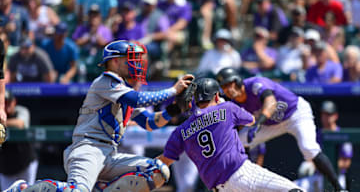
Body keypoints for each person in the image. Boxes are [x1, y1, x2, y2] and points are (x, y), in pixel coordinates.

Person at [5, 40, 194, 192]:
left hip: (109, 155)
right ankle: (24, 189)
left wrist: (176, 109)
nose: (135, 63)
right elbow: (137, 99)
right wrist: (172, 90)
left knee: (157, 170)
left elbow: (150, 122)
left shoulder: (123, 92)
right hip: (87, 149)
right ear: (114, 61)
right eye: (129, 58)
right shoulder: (106, 81)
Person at [157, 78, 303, 192]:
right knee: (294, 190)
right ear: (216, 96)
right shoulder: (227, 108)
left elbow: (165, 161)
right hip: (241, 173)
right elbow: (251, 120)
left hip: (219, 188)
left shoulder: (180, 130)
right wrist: (222, 103)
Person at [215, 67, 345, 191]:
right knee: (241, 141)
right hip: (271, 124)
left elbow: (271, 103)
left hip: (296, 114)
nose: (229, 89)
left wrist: (258, 123)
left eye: (230, 83)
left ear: (238, 80)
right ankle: (245, 182)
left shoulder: (255, 83)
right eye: (225, 87)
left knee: (309, 148)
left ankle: (339, 188)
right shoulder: (234, 103)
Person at [0, 90, 37, 191]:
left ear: (14, 102)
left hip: (25, 163)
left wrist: (3, 122)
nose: (7, 105)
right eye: (4, 102)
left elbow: (20, 124)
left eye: (9, 102)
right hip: (5, 168)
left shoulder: (20, 110)